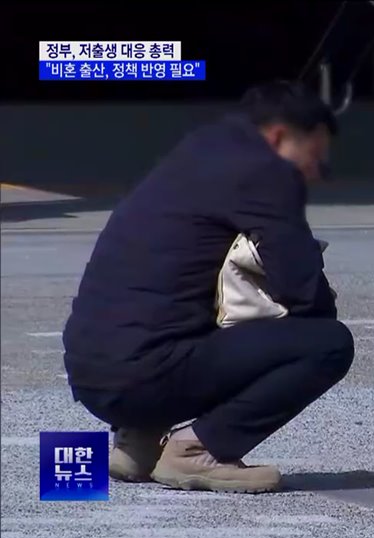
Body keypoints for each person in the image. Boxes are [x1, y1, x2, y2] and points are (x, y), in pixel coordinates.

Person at [62, 81, 355, 494]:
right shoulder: (266, 172)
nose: (316, 174)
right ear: (279, 137)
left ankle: (138, 442)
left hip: (91, 373)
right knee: (328, 343)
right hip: (148, 374)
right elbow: (302, 291)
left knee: (185, 302)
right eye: (315, 159)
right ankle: (198, 451)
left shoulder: (199, 150)